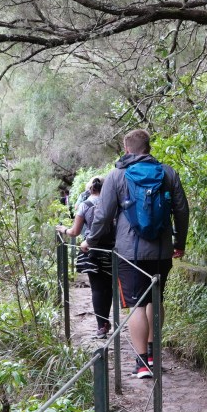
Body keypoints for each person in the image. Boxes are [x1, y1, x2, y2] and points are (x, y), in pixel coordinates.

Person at [82, 129, 189, 379]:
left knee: (135, 305)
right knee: (155, 300)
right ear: (149, 147)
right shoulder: (168, 173)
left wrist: (90, 240)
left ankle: (141, 363)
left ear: (127, 148)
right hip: (162, 250)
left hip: (130, 253)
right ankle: (154, 354)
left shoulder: (117, 175)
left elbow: (103, 215)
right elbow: (182, 211)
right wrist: (179, 242)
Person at [56, 177, 113, 337]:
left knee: (96, 288)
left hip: (90, 249)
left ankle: (102, 325)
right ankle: (105, 320)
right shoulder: (112, 204)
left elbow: (75, 231)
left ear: (90, 189)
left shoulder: (85, 205)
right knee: (108, 288)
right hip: (111, 250)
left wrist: (63, 230)